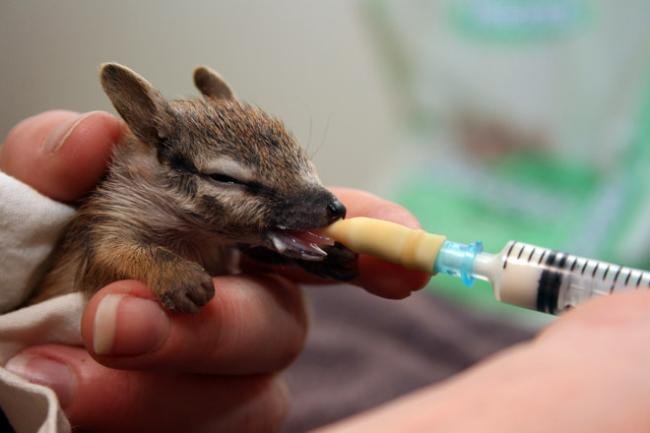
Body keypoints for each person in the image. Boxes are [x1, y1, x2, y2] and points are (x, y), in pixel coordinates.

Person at [2, 111, 650, 433]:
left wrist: (296, 249)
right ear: (154, 161)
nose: (329, 207)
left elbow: (247, 251)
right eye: (231, 180)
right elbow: (114, 252)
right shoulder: (127, 209)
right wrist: (164, 269)